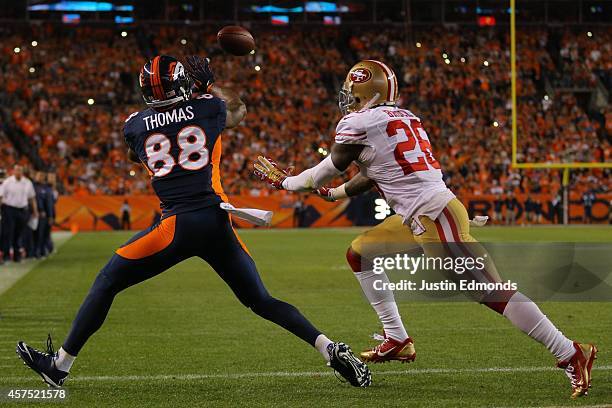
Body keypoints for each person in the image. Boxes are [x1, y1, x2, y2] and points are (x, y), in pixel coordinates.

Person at [16, 55, 371, 389]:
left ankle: (59, 366)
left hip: (176, 227)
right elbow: (238, 110)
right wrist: (209, 85)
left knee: (108, 281)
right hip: (216, 223)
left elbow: (138, 147)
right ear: (185, 84)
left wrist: (178, 107)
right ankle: (328, 347)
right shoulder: (209, 108)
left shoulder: (134, 126)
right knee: (260, 300)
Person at [254, 59, 596, 399]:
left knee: (492, 292)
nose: (349, 98)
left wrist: (286, 181)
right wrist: (336, 194)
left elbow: (324, 171)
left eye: (353, 92)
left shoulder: (358, 122)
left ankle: (570, 352)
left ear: (366, 93)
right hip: (419, 216)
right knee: (360, 254)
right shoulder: (405, 117)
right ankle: (398, 339)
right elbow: (371, 173)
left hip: (433, 215)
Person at [0, 165, 38, 263]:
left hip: (22, 210)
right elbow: (1, 196)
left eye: (20, 170)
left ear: (22, 171)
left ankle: (17, 256)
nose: (18, 172)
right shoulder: (7, 182)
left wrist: (35, 210)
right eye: (17, 170)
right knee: (8, 233)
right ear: (13, 171)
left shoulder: (27, 183)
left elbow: (32, 198)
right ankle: (6, 255)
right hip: (9, 209)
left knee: (19, 233)